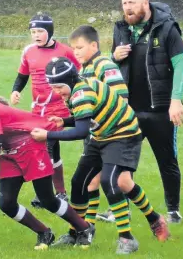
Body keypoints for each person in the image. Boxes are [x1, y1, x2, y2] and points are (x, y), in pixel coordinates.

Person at [30, 57, 170, 254]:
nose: (56, 91)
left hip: (124, 135)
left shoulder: (80, 93)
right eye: (53, 87)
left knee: (110, 181)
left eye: (59, 86)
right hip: (102, 135)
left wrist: (48, 135)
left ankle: (127, 238)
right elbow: (85, 117)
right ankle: (77, 231)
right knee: (79, 181)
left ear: (70, 80)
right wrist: (64, 121)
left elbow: (81, 131)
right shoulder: (75, 89)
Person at [0, 97, 95, 251]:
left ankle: (84, 228)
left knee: (47, 199)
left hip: (31, 143)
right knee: (6, 203)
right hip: (9, 152)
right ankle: (44, 233)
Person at [111, 0, 183, 223]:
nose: (127, 8)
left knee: (167, 161)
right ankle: (120, 211)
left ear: (145, 2)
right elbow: (111, 67)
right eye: (124, 3)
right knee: (120, 161)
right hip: (128, 110)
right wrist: (114, 57)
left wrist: (176, 100)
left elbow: (181, 65)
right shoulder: (121, 28)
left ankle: (173, 210)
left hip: (161, 109)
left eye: (132, 3)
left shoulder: (167, 27)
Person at [10, 13, 81, 208]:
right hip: (37, 109)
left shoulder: (66, 52)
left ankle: (46, 195)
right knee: (51, 150)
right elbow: (22, 75)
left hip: (58, 109)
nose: (36, 35)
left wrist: (74, 100)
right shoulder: (28, 51)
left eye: (40, 31)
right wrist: (16, 90)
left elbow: (79, 75)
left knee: (45, 146)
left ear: (49, 31)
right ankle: (60, 193)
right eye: (33, 31)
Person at [69, 25, 129, 225]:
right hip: (94, 132)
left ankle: (128, 222)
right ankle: (89, 224)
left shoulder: (105, 65)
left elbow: (121, 97)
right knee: (92, 181)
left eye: (80, 47)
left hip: (111, 133)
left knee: (110, 180)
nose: (76, 52)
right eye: (74, 48)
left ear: (94, 45)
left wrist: (107, 125)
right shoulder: (84, 68)